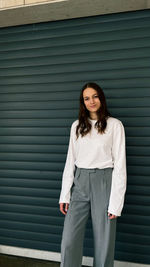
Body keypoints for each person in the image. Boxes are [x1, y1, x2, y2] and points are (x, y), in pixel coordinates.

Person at [59, 82, 127, 267]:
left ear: (101, 98)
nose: (91, 101)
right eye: (87, 98)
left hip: (104, 182)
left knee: (104, 242)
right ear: (83, 102)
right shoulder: (77, 126)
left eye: (95, 96)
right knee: (69, 240)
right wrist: (65, 194)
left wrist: (115, 204)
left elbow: (120, 166)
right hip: (80, 182)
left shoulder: (115, 125)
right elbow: (69, 161)